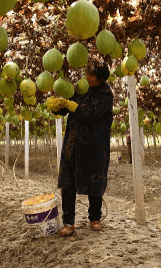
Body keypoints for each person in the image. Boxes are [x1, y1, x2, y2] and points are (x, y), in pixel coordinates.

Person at [46, 61, 113, 236]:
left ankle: (95, 218)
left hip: (95, 144)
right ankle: (69, 222)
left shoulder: (106, 94)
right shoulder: (80, 88)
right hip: (74, 143)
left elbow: (90, 113)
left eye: (90, 74)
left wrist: (70, 105)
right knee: (68, 182)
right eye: (86, 72)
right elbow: (66, 108)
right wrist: (57, 107)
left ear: (99, 79)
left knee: (95, 181)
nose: (86, 75)